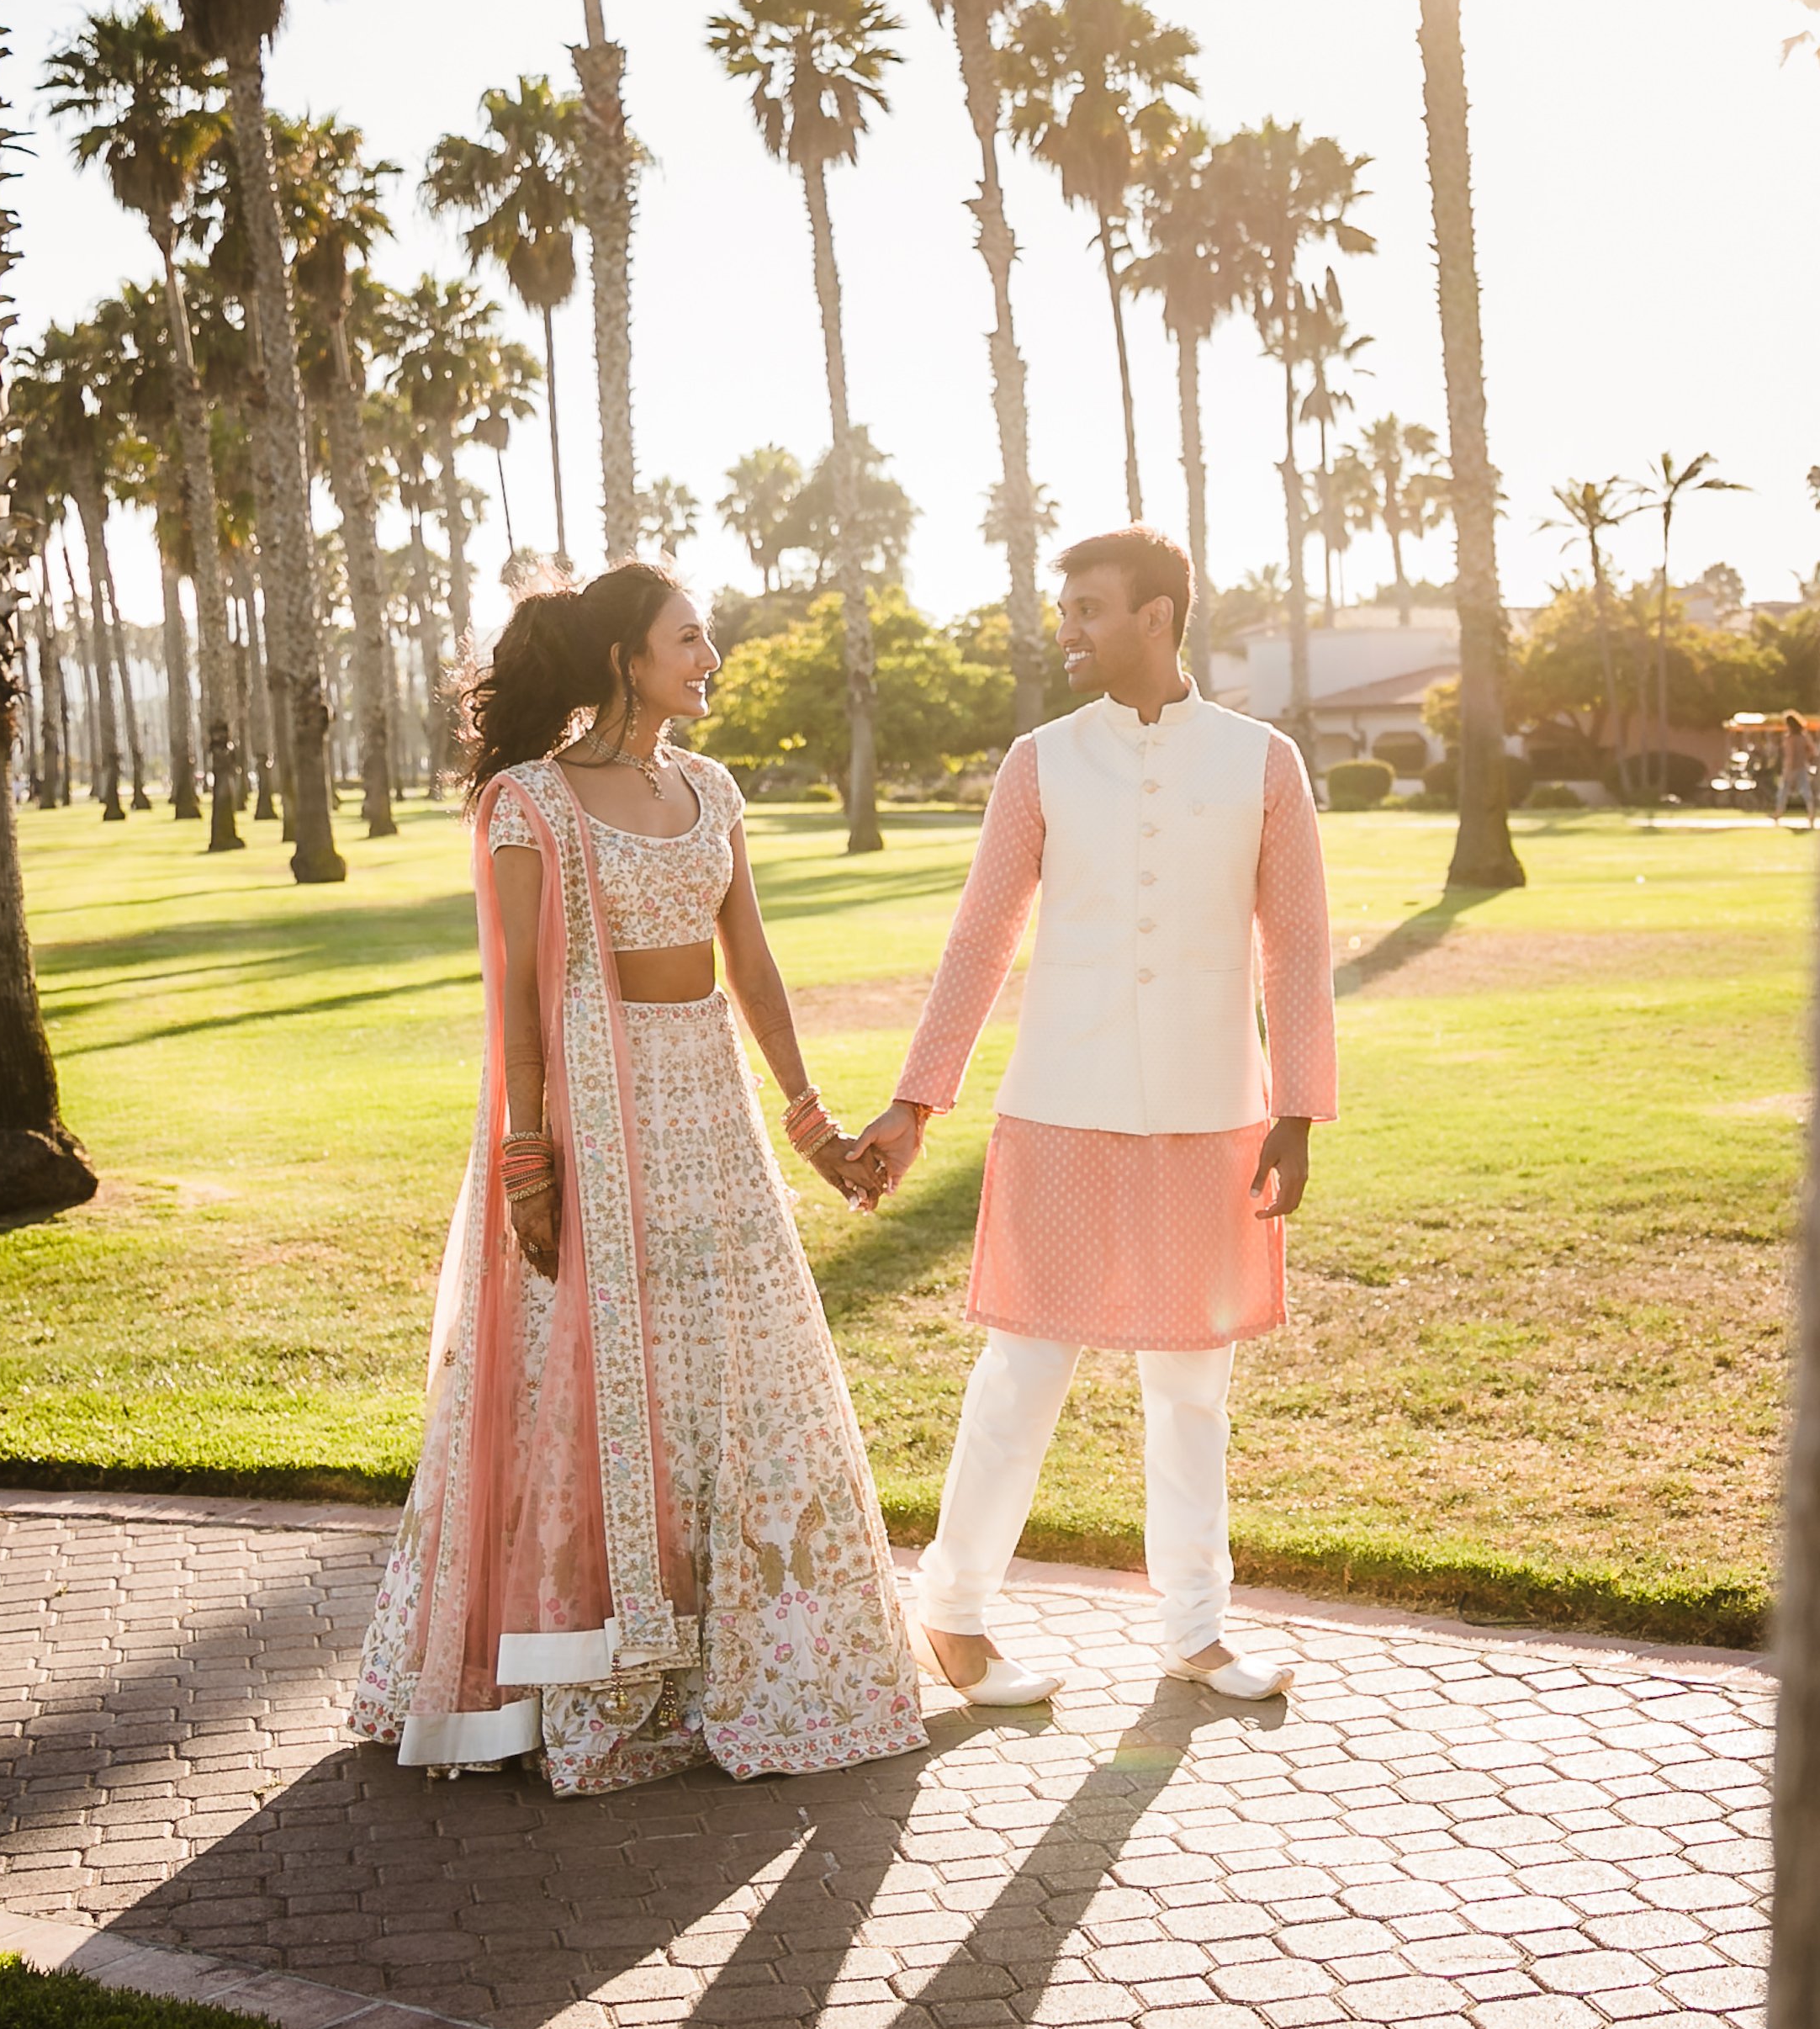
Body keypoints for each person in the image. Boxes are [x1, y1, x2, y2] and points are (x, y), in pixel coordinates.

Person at [352, 564, 923, 1796]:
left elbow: (754, 965)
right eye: (689, 636)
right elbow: (516, 994)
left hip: (708, 1109)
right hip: (596, 1129)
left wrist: (814, 1127)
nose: (710, 653)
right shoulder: (531, 805)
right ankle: (585, 1674)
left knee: (734, 1364)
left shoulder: (710, 790)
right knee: (605, 1376)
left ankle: (751, 1663)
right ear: (624, 657)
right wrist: (527, 1155)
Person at [853, 527, 1336, 1707]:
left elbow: (1301, 946)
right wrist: (918, 1101)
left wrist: (1300, 1111)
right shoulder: (1041, 762)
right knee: (1024, 1368)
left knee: (1192, 1385)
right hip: (1061, 1107)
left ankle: (1195, 1630)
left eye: (1086, 608)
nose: (1064, 629)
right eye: (1063, 608)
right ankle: (953, 1616)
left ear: (1158, 617)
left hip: (1211, 1112)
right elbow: (981, 937)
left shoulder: (1264, 762)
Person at [1776, 710, 1819, 824]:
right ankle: (1811, 812)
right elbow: (1813, 750)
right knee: (1805, 790)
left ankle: (1779, 813)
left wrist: (1788, 769)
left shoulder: (1790, 738)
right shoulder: (1802, 737)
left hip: (1792, 767)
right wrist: (1805, 757)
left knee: (1784, 791)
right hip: (1800, 766)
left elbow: (1790, 755)